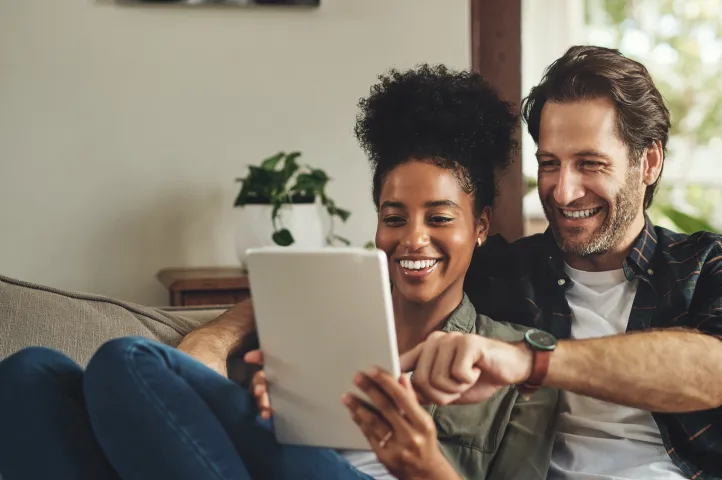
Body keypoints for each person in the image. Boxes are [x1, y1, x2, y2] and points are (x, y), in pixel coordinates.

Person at [177, 45, 722, 480]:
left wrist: (529, 360)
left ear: (648, 163)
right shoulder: (507, 270)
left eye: (591, 164)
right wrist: (217, 337)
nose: (564, 190)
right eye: (549, 163)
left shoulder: (715, 262)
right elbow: (372, 276)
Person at [0, 65, 558, 480]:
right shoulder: (315, 320)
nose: (413, 238)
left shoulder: (514, 362)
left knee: (127, 359)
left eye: (439, 218)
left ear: (480, 226)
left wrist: (420, 456)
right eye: (393, 217)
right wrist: (262, 396)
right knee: (28, 373)